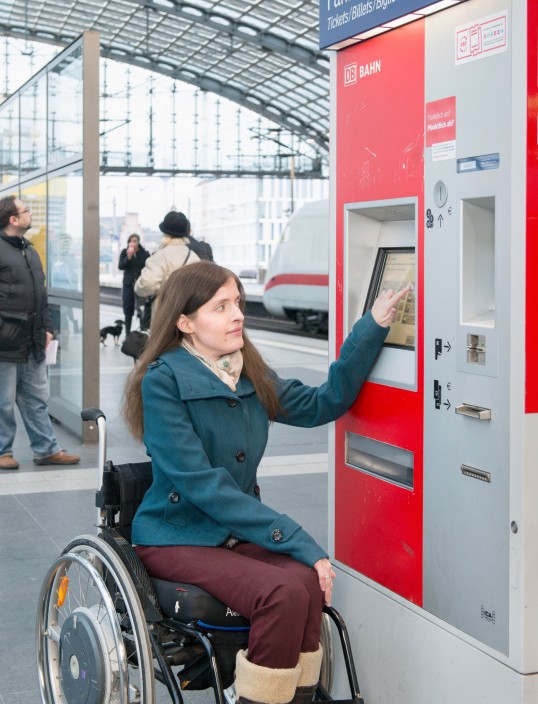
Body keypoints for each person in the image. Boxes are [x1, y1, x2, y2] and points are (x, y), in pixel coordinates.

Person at [123, 260, 409, 704]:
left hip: (233, 534)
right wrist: (295, 539)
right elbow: (202, 484)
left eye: (237, 301)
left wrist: (371, 327)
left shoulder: (249, 373)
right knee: (280, 592)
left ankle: (297, 695)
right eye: (221, 307)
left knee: (307, 584)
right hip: (176, 537)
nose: (238, 313)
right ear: (185, 323)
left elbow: (323, 403)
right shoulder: (163, 381)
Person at [0, 196, 80, 470]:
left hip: (33, 339)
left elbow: (41, 295)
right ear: (13, 219)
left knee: (36, 398)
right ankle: (2, 451)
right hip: (6, 339)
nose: (30, 215)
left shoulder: (29, 251)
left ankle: (46, 449)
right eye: (26, 211)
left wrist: (48, 329)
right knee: (3, 402)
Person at [134, 211, 200, 304]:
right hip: (187, 312)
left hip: (165, 312)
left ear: (165, 234)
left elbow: (146, 284)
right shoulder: (194, 257)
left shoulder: (159, 257)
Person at [118, 234, 150, 333]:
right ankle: (127, 333)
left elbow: (147, 267)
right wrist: (128, 257)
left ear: (138, 242)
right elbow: (120, 266)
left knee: (141, 308)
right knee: (128, 309)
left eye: (135, 241)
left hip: (140, 285)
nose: (133, 243)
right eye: (131, 241)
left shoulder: (144, 253)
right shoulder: (124, 252)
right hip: (128, 284)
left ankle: (142, 332)